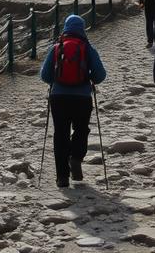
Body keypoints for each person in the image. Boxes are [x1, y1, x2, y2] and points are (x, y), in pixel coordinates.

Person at [40, 14, 107, 187]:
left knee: (60, 134)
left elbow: (45, 75)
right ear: (82, 29)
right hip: (82, 97)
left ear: (66, 28)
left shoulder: (56, 48)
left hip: (59, 97)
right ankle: (76, 157)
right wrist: (87, 78)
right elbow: (100, 76)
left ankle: (62, 177)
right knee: (81, 130)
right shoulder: (87, 48)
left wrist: (57, 81)